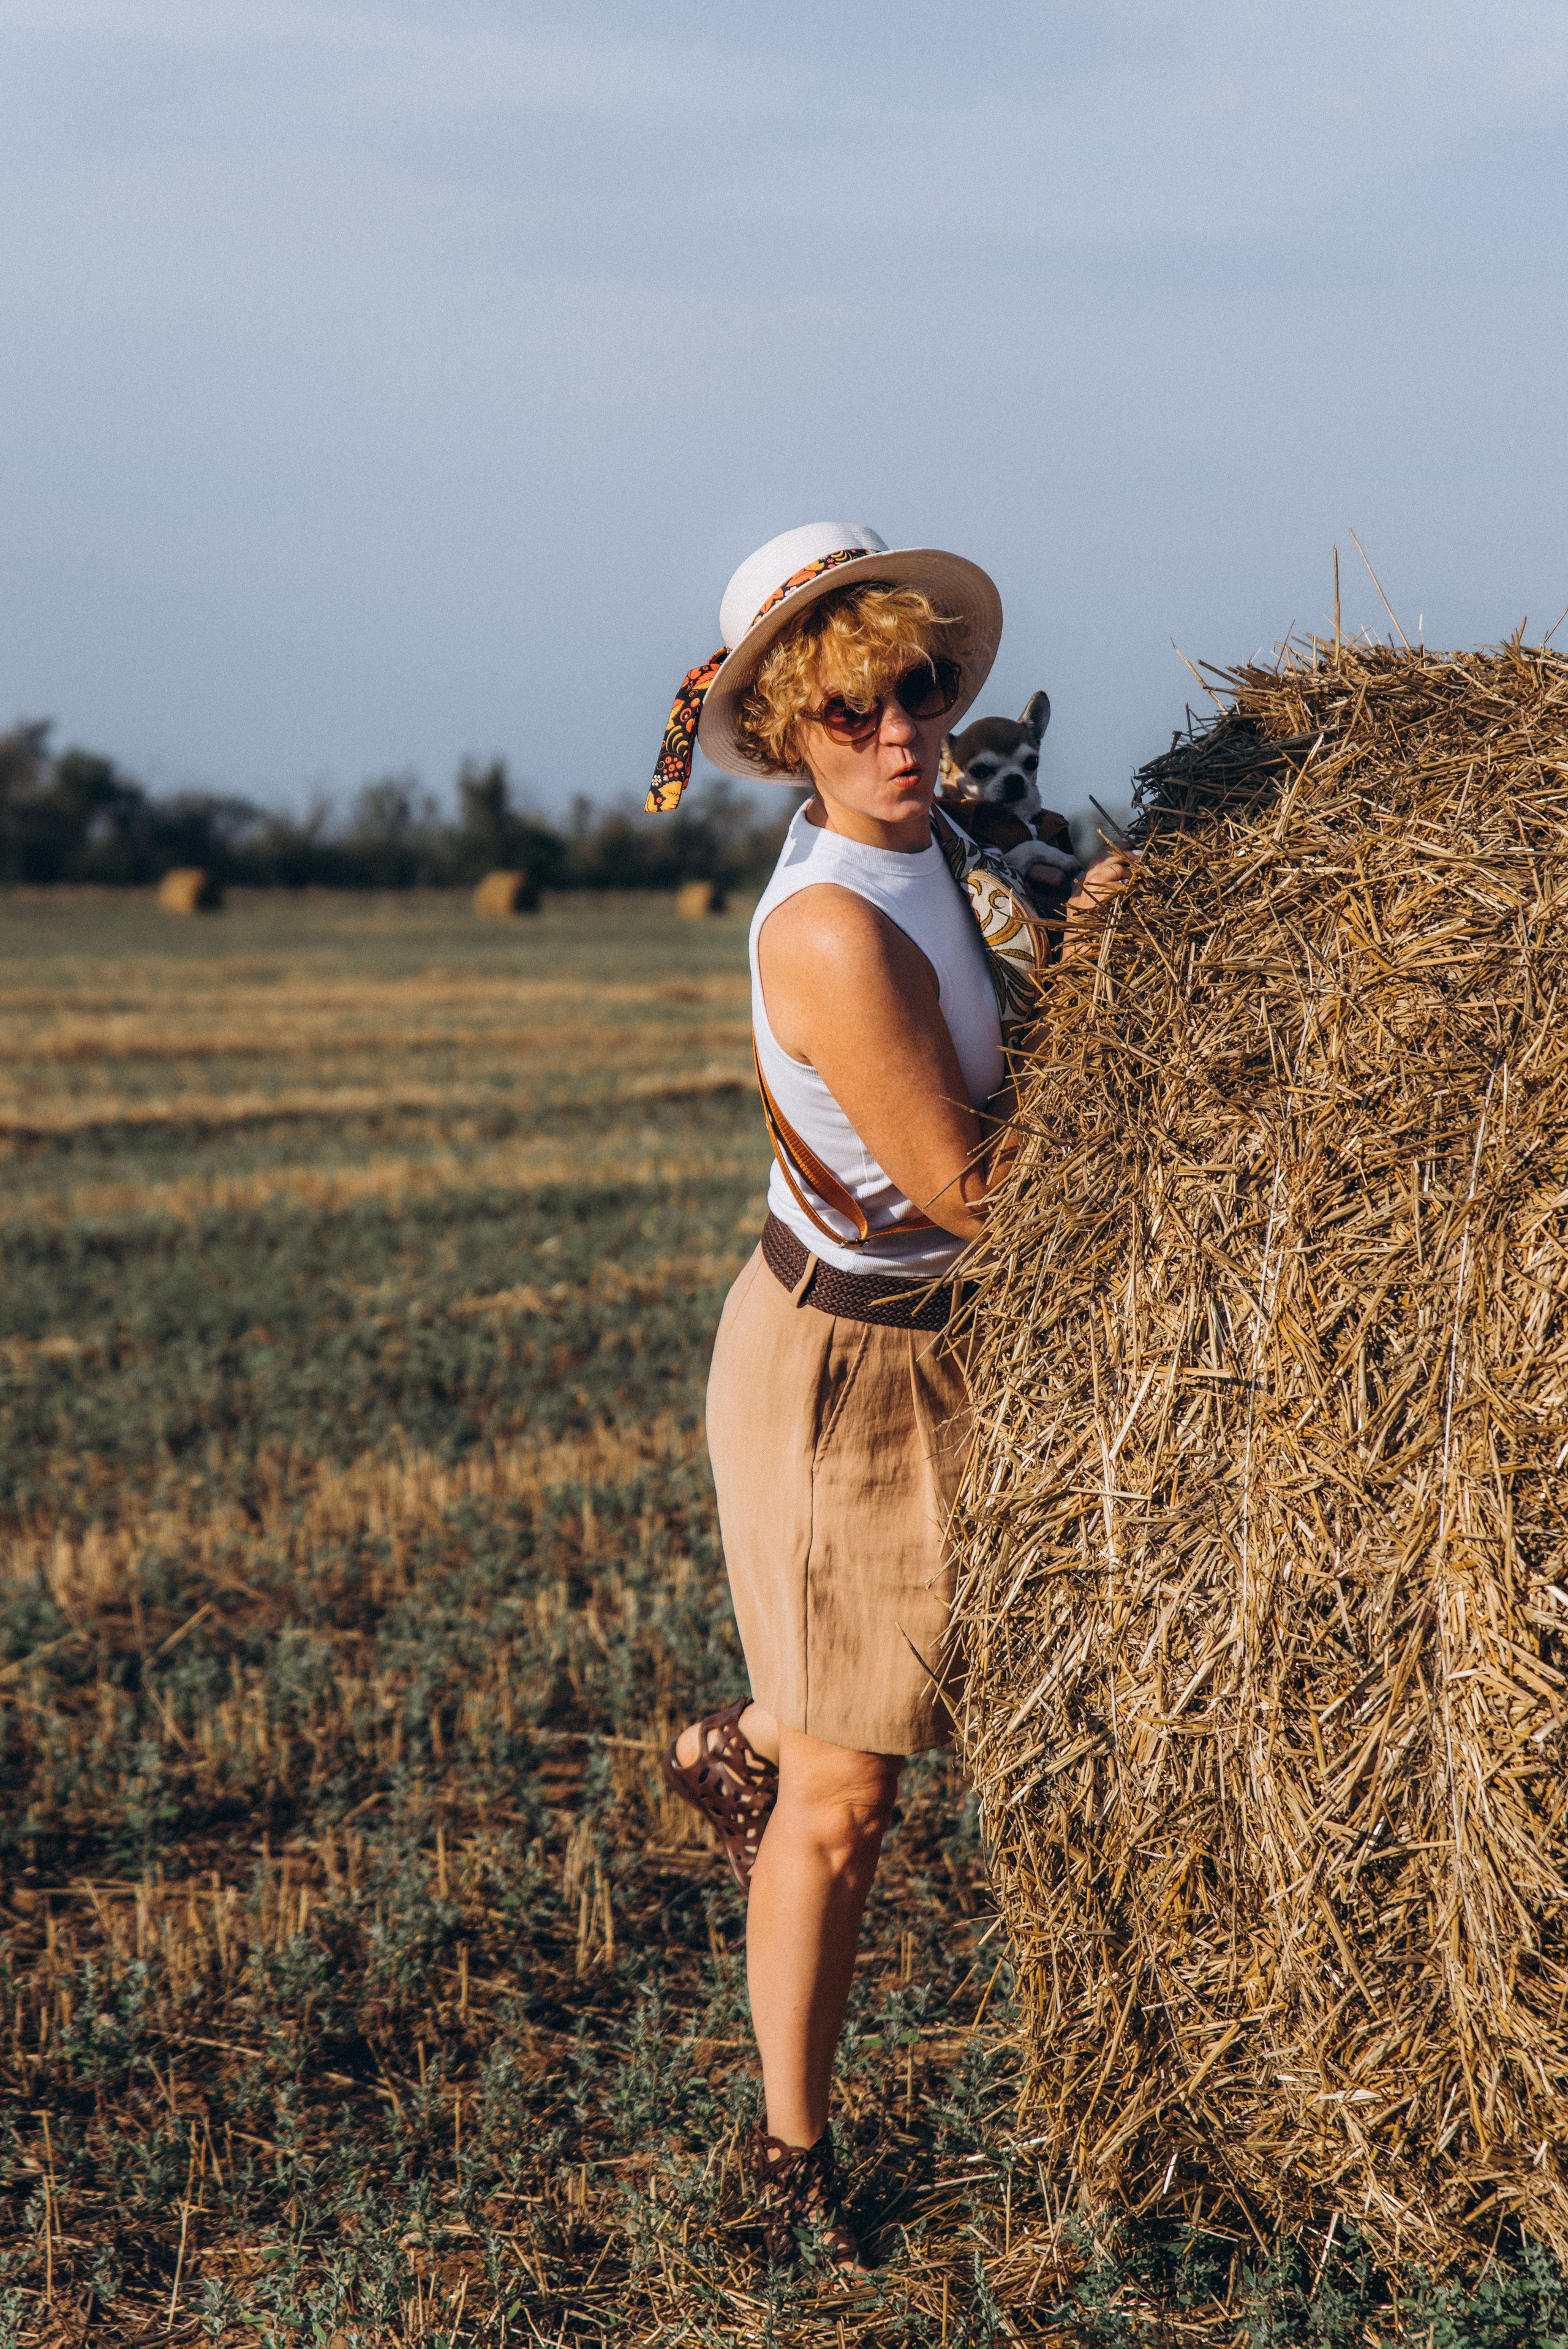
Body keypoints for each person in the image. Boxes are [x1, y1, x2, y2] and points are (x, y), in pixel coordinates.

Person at [645, 524, 1133, 2273]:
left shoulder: (943, 840)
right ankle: (784, 2165)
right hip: (837, 1376)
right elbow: (980, 1192)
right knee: (849, 1795)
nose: (901, 730)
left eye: (919, 686)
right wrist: (1120, 1000)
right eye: (852, 709)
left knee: (901, 1702)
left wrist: (1086, 936)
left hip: (948, 1350)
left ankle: (734, 1739)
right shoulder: (833, 931)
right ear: (791, 728)